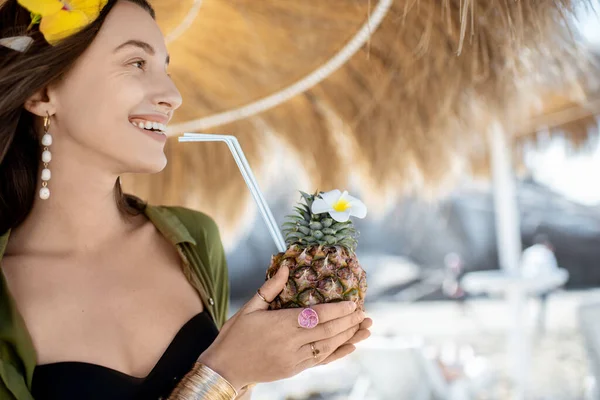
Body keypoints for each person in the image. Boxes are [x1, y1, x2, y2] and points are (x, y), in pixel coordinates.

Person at [0, 1, 373, 399]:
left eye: (166, 68)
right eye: (137, 63)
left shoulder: (193, 238)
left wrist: (263, 361)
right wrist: (224, 373)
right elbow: (226, 375)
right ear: (43, 92)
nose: (173, 95)